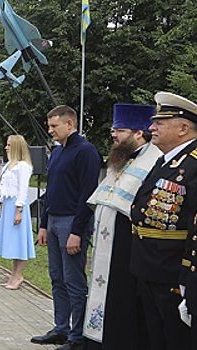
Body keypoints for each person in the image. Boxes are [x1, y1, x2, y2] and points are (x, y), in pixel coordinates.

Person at [82, 104, 158, 350]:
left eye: (120, 130)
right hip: (106, 246)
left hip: (127, 246)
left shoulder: (153, 162)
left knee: (122, 301)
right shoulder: (119, 159)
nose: (113, 135)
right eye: (114, 130)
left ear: (139, 132)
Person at [129, 93, 197, 350]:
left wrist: (186, 277)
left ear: (183, 128)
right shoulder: (166, 160)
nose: (151, 128)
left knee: (174, 339)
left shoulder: (192, 164)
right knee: (155, 338)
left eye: (160, 122)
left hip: (172, 271)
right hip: (148, 267)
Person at [32, 105, 101, 350]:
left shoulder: (86, 152)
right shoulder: (58, 152)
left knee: (74, 281)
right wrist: (42, 224)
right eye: (49, 125)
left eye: (54, 126)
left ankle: (77, 336)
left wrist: (77, 231)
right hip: (53, 221)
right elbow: (51, 190)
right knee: (57, 278)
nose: (50, 130)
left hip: (73, 221)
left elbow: (88, 195)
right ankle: (60, 328)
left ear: (69, 124)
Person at [0, 135, 36, 289]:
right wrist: (1, 207)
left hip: (18, 207)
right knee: (12, 242)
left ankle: (18, 276)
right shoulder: (9, 165)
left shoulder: (23, 166)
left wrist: (19, 210)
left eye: (9, 145)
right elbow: (4, 189)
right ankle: (13, 275)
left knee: (19, 242)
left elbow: (23, 190)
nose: (6, 147)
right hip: (8, 205)